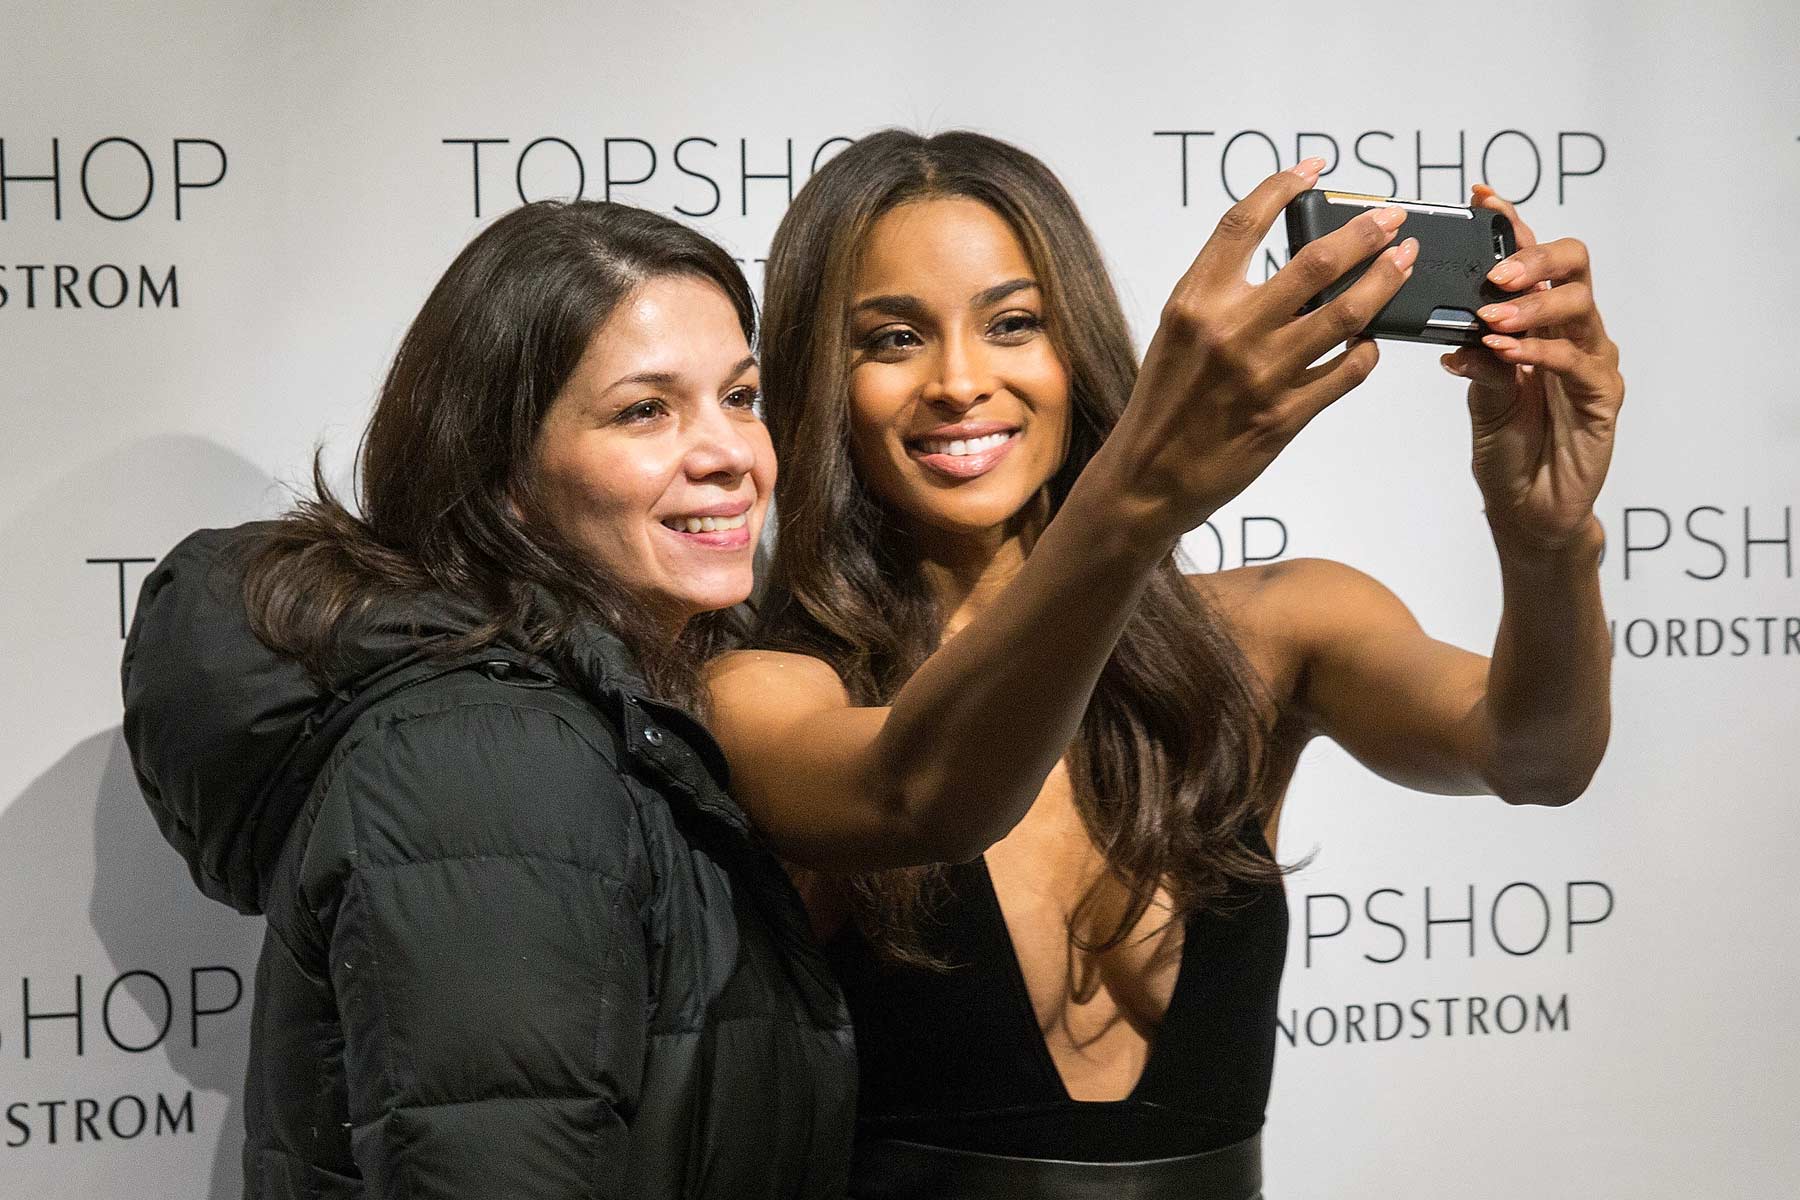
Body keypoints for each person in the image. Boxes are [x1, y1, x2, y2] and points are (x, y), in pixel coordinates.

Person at [704, 130, 1623, 1198]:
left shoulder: (1275, 632)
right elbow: (923, 789)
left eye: (1012, 325)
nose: (960, 382)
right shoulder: (762, 691)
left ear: (1076, 346)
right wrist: (1142, 489)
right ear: (822, 377)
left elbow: (1537, 756)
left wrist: (1548, 539)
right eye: (894, 338)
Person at [121, 201, 855, 1199]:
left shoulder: (570, 719)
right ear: (504, 474)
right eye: (646, 410)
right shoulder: (493, 758)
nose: (730, 452)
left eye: (738, 395)